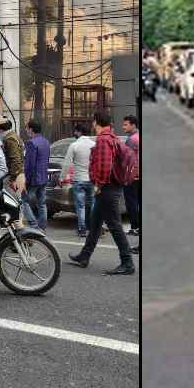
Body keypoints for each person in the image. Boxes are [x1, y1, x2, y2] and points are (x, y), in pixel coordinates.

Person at [68, 112, 136, 276]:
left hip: (107, 188)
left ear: (95, 123)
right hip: (111, 187)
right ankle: (84, 256)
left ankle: (127, 262)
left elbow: (104, 166)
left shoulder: (104, 139)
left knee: (114, 225)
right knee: (96, 223)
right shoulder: (113, 137)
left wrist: (99, 185)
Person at [60, 124, 96, 237]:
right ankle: (92, 227)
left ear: (79, 132)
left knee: (80, 206)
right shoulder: (94, 145)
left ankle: (82, 229)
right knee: (92, 204)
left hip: (79, 179)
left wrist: (62, 177)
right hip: (91, 180)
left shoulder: (74, 145)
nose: (74, 134)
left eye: (75, 132)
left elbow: (67, 164)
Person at [0, 114, 27, 197]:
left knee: (10, 200)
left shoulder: (10, 140)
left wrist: (13, 179)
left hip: (13, 176)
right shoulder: (14, 136)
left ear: (0, 130)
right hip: (17, 174)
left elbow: (15, 159)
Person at [21, 120, 50, 231]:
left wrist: (26, 180)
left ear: (31, 129)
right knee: (42, 203)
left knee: (24, 202)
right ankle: (42, 226)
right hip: (43, 177)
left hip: (33, 179)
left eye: (27, 128)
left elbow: (29, 164)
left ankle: (34, 225)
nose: (26, 130)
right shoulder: (46, 142)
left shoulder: (31, 143)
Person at [122, 115, 141, 236]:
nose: (123, 126)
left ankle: (135, 227)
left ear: (133, 125)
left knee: (131, 202)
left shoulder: (131, 140)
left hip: (132, 176)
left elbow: (126, 160)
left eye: (125, 124)